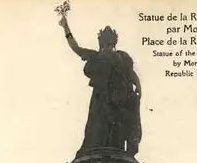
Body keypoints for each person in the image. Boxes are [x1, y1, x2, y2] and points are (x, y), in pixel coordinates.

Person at [59, 15, 142, 155]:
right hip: (109, 100)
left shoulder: (109, 57)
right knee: (104, 127)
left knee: (104, 127)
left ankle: (108, 151)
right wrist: (138, 92)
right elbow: (134, 78)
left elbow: (75, 47)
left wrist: (65, 27)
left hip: (112, 100)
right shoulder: (120, 57)